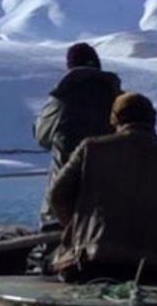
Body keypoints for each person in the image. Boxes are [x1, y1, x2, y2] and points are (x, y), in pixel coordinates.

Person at [47, 92, 157, 284]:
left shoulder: (89, 149)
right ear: (153, 120)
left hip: (91, 267)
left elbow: (56, 196)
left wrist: (76, 227)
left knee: (47, 263)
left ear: (114, 119)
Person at [33, 42, 121, 231]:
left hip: (63, 212)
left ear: (70, 67)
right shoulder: (120, 101)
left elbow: (41, 137)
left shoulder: (61, 100)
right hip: (114, 211)